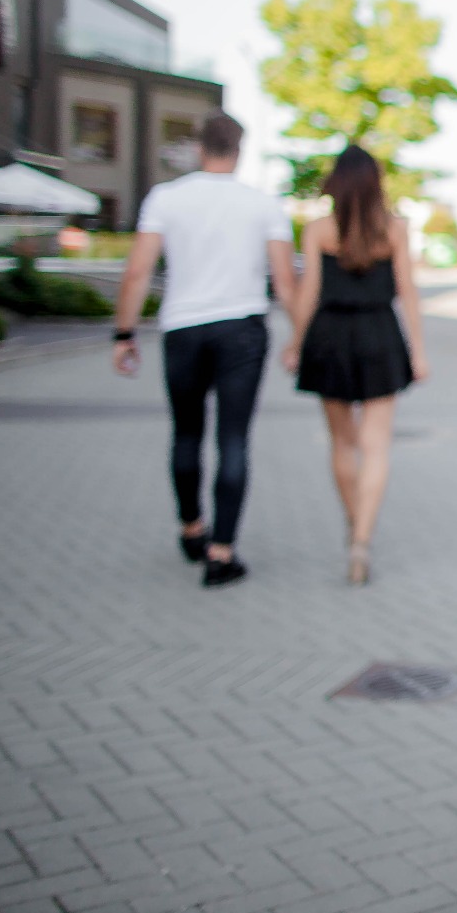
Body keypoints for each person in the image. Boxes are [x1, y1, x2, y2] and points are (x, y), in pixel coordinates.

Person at [113, 112, 295, 588]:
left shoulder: (166, 199)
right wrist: (301, 337)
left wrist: (124, 333)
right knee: (233, 440)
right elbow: (285, 281)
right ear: (240, 150)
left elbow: (136, 272)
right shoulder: (263, 205)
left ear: (199, 148)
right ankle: (222, 554)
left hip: (183, 329)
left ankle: (192, 528)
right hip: (243, 329)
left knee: (187, 433)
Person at [282, 145, 428, 584]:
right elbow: (407, 290)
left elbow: (309, 292)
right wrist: (419, 351)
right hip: (380, 335)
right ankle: (363, 540)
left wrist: (295, 342)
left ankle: (353, 528)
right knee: (376, 444)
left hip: (330, 337)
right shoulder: (396, 229)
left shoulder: (319, 229)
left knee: (342, 444)